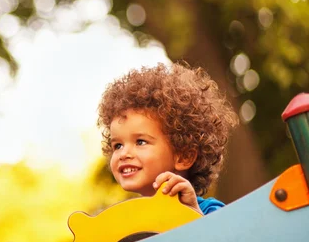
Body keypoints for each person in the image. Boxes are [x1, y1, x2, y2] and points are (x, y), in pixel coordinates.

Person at [97, 63, 239, 215]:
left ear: (184, 156)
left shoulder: (210, 211)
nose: (124, 154)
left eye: (140, 142)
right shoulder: (127, 222)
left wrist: (192, 214)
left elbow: (224, 238)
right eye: (118, 145)